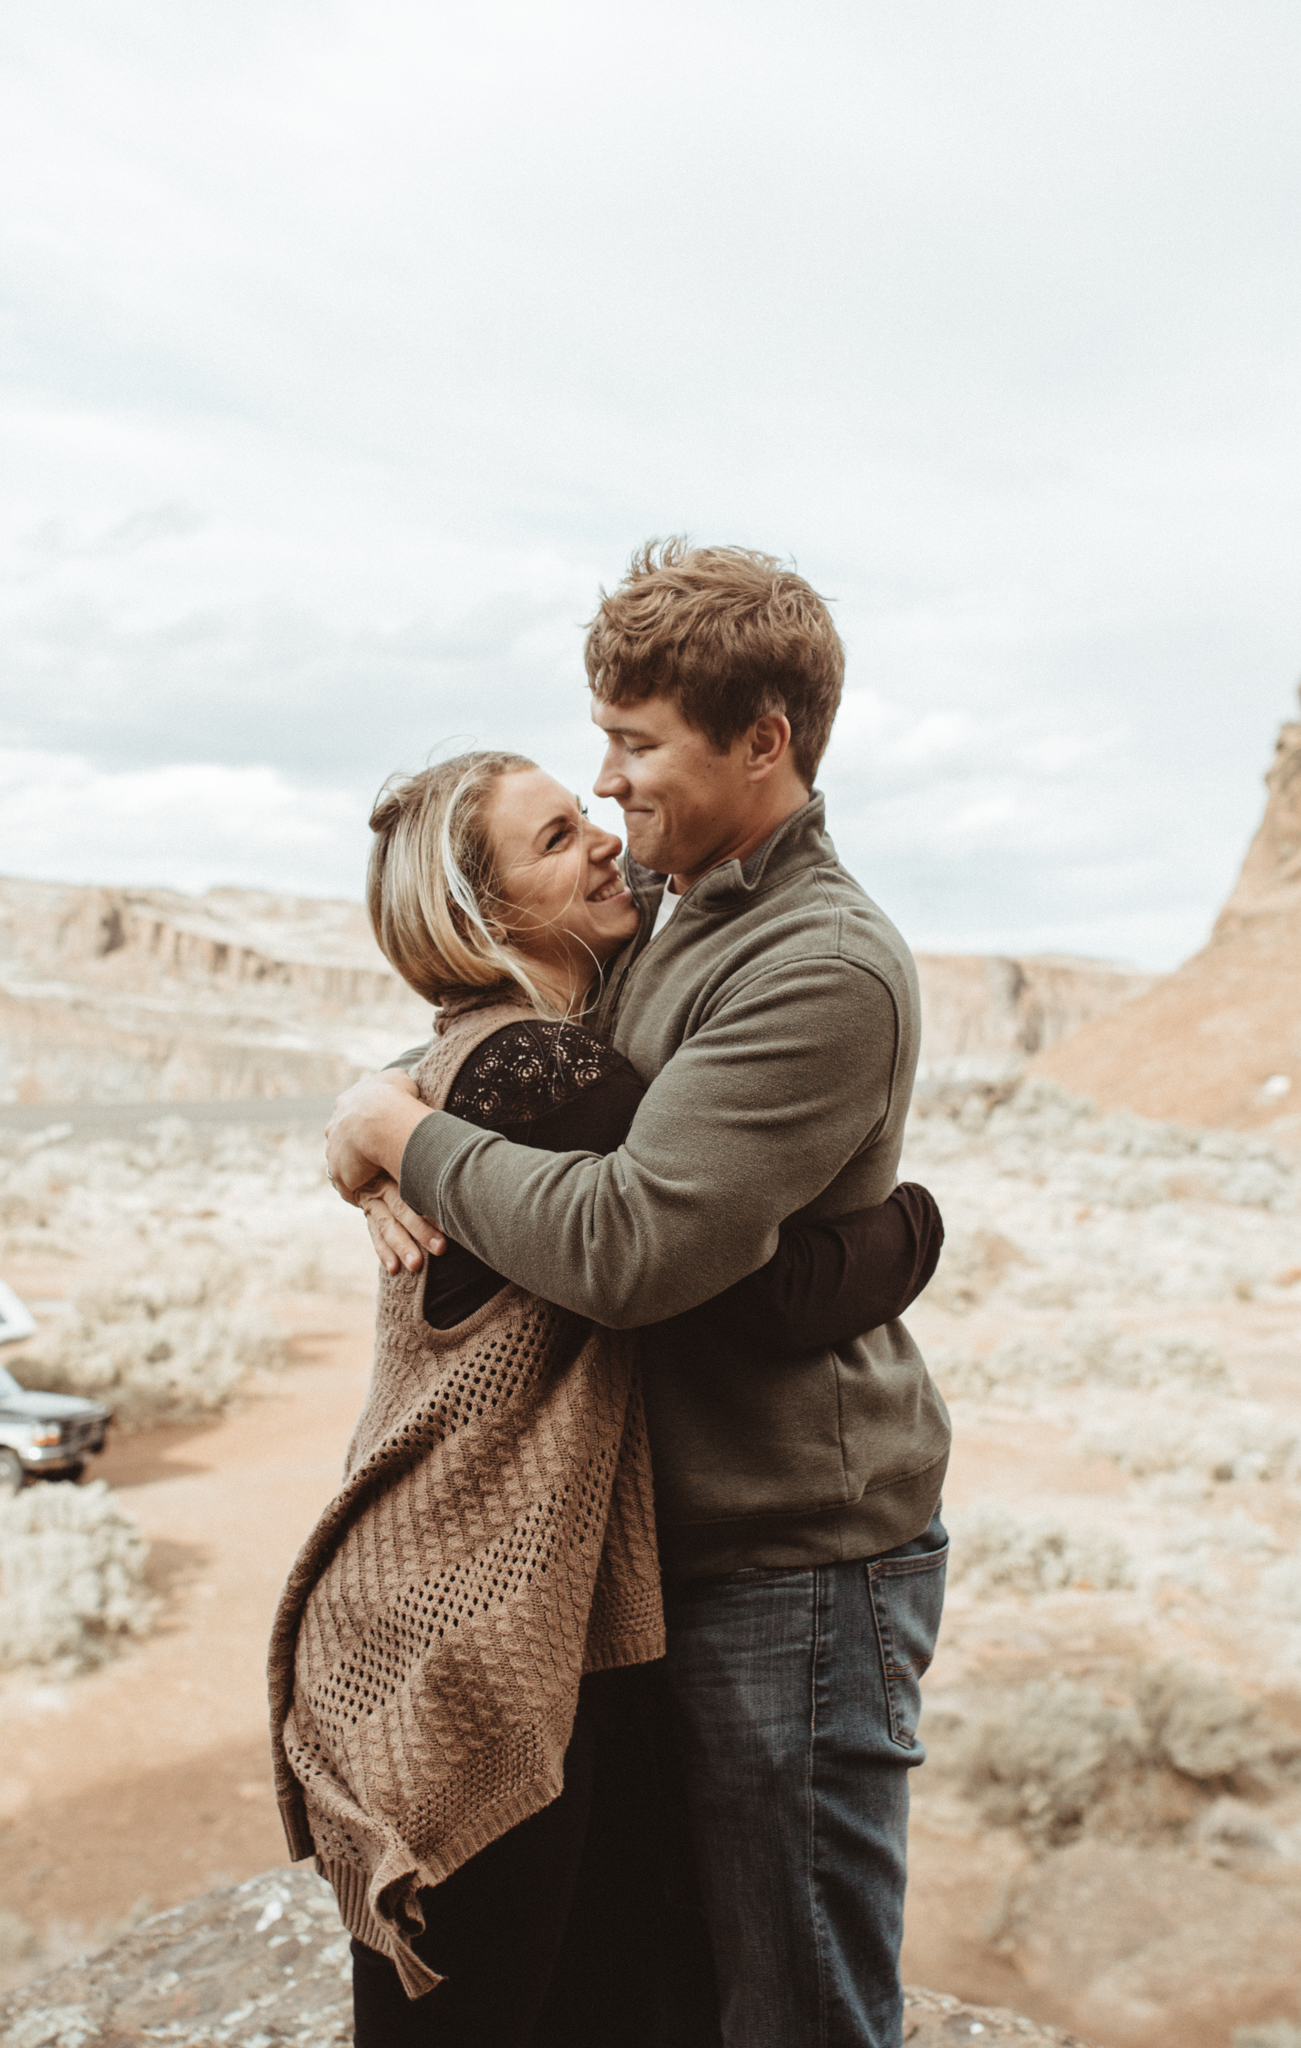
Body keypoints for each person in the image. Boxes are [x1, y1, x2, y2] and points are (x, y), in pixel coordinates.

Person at [276, 738, 945, 2048]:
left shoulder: (477, 1059)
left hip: (447, 1611)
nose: (597, 834)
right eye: (550, 839)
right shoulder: (543, 1076)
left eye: (587, 811)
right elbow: (722, 1277)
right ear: (483, 916)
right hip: (481, 1633)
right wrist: (909, 1232)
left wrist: (374, 1114)